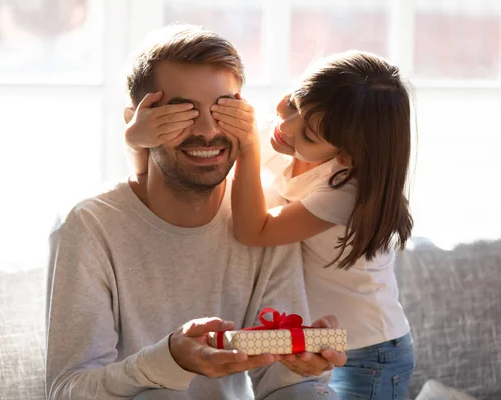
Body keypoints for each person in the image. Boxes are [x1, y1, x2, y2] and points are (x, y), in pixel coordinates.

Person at [46, 24, 346, 400]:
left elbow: (286, 384)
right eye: (181, 112)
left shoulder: (267, 220)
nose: (207, 130)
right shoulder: (90, 226)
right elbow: (67, 390)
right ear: (136, 122)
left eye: (224, 109)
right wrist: (168, 360)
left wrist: (304, 367)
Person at [127, 50, 416, 399]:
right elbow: (175, 175)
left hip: (369, 351)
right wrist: (136, 139)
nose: (286, 126)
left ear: (345, 155)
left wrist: (248, 147)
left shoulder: (346, 191)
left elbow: (254, 230)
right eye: (292, 104)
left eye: (308, 134)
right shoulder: (285, 140)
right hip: (315, 343)